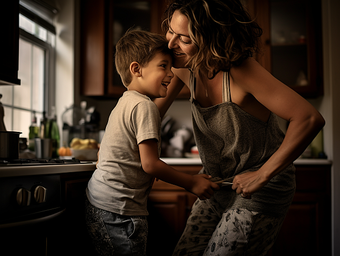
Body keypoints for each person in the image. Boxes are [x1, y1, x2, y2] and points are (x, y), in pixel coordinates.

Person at [153, 0, 326, 255]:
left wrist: (263, 174)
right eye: (170, 30)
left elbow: (309, 118)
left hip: (260, 187)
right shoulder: (184, 69)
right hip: (218, 183)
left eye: (184, 38)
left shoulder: (240, 69)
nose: (170, 44)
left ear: (209, 39)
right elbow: (150, 115)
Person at [85, 29, 220, 256]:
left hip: (99, 201)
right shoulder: (144, 106)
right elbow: (150, 164)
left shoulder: (125, 101)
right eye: (163, 66)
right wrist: (192, 183)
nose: (171, 73)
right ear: (136, 69)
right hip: (120, 210)